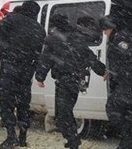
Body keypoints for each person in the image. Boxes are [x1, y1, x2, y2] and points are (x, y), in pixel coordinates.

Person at [35, 14, 107, 149]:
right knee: (66, 111)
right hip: (75, 80)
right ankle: (72, 138)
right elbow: (90, 57)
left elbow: (46, 60)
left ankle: (73, 140)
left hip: (63, 80)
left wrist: (40, 77)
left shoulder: (52, 40)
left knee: (63, 113)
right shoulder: (77, 37)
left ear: (54, 25)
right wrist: (102, 71)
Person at [0, 1, 46, 148]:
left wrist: (5, 54)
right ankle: (23, 137)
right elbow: (39, 53)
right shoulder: (40, 29)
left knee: (7, 102)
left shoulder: (11, 19)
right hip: (27, 72)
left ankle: (11, 136)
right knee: (24, 103)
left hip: (10, 69)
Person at [100, 15, 132, 149]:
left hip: (127, 81)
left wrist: (116, 73)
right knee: (125, 113)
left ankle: (129, 143)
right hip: (127, 80)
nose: (104, 33)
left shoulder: (120, 39)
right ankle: (131, 144)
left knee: (113, 109)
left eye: (105, 29)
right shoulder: (120, 37)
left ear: (111, 27)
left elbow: (128, 60)